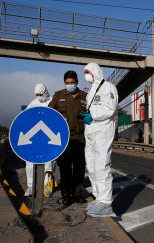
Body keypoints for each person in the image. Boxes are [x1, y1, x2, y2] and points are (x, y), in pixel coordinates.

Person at [81, 62, 118, 217]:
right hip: (91, 131)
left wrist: (93, 117)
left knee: (102, 166)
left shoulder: (108, 87)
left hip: (102, 131)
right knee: (92, 165)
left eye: (88, 71)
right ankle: (98, 197)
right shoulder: (91, 91)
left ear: (95, 72)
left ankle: (105, 202)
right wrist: (86, 118)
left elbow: (110, 109)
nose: (86, 75)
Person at [48, 71, 88, 205]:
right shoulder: (58, 95)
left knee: (79, 168)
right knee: (64, 169)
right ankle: (66, 195)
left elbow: (91, 116)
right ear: (64, 82)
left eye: (72, 83)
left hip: (80, 138)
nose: (70, 85)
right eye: (67, 83)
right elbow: (50, 113)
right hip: (63, 139)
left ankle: (77, 194)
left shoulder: (86, 96)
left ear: (77, 82)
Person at [24, 84, 56, 197]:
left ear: (45, 92)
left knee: (49, 163)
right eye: (36, 94)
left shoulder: (53, 101)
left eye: (40, 94)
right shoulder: (33, 104)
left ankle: (48, 186)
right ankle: (31, 186)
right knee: (30, 161)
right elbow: (26, 117)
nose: (39, 97)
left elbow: (58, 118)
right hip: (35, 138)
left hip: (50, 138)